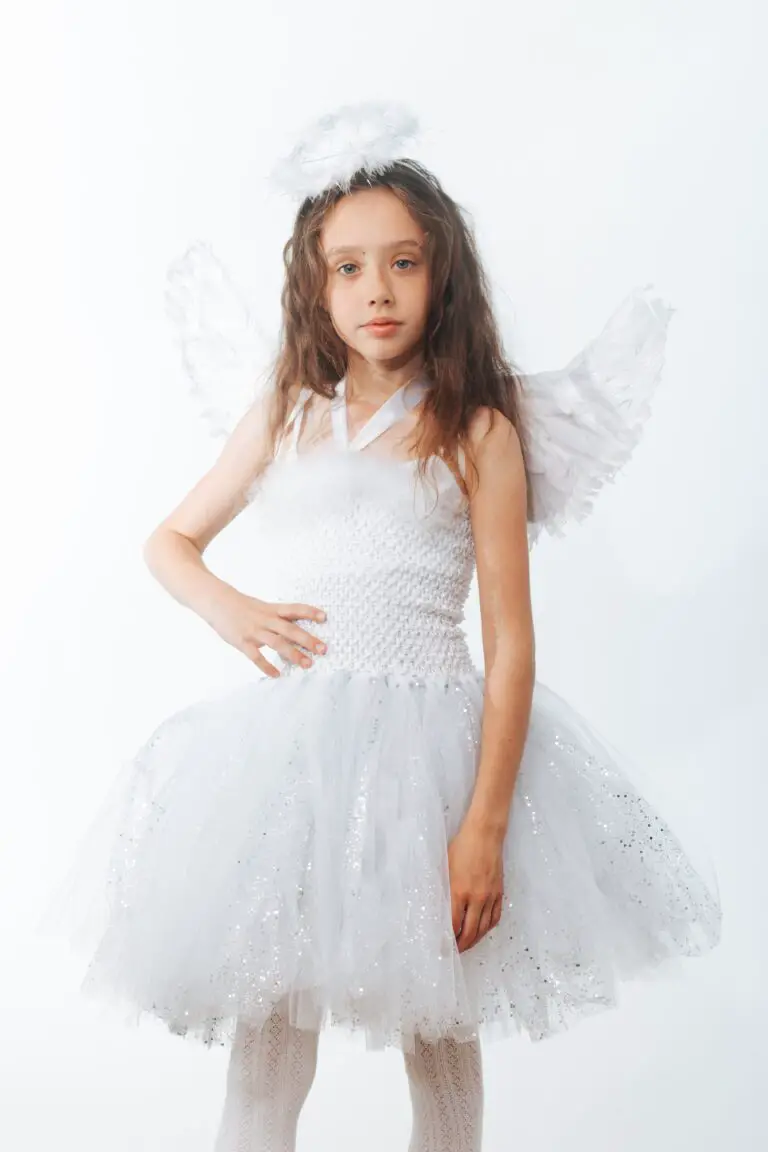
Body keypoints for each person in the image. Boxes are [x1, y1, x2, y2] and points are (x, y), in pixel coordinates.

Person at [38, 103, 722, 1152]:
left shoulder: (479, 432)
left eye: (402, 263)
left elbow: (513, 644)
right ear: (315, 285)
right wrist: (232, 610)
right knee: (269, 1043)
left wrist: (484, 824)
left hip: (435, 760)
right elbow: (170, 541)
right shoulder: (287, 413)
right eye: (348, 268)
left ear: (441, 274)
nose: (377, 291)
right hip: (292, 767)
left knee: (441, 1045)